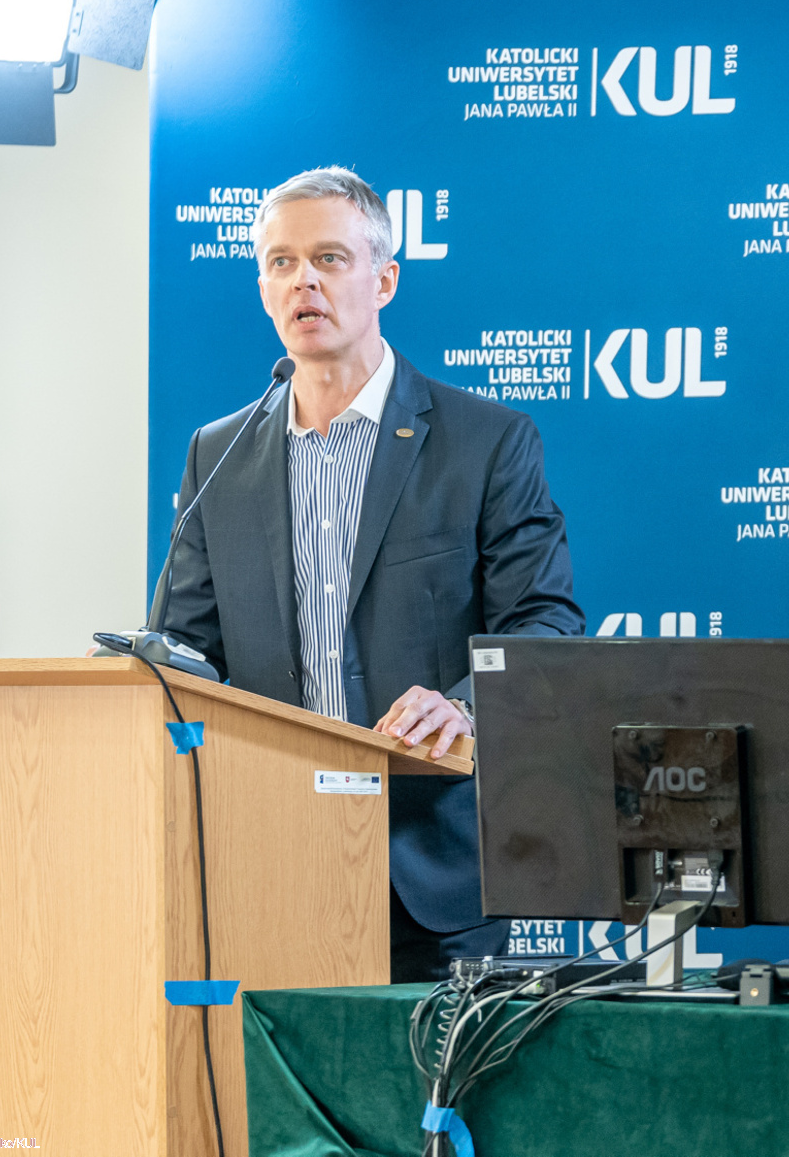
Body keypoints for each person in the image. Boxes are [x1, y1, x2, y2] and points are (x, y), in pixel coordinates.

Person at [155, 165, 583, 982]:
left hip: (433, 870)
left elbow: (547, 625)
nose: (303, 281)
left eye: (329, 258)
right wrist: (145, 668)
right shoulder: (217, 454)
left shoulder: (485, 441)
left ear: (384, 280)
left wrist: (461, 705)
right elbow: (186, 646)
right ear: (262, 287)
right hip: (268, 860)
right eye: (281, 262)